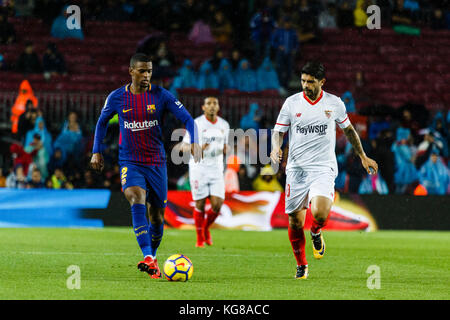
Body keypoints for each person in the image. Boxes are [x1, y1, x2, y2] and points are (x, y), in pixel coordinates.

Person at [90, 53, 201, 279]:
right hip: (130, 161)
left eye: (149, 71)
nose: (146, 75)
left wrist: (194, 141)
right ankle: (148, 256)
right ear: (131, 71)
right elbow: (101, 123)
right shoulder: (117, 98)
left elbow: (188, 119)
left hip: (156, 162)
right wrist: (96, 151)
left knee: (158, 217)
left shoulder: (161, 95)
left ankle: (153, 258)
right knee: (135, 195)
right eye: (142, 71)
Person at [270, 61, 378, 279]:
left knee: (320, 213)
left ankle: (316, 231)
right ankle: (301, 264)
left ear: (322, 82)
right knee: (295, 221)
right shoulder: (291, 103)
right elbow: (278, 132)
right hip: (297, 169)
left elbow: (349, 131)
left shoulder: (334, 103)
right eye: (303, 81)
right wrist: (274, 149)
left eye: (310, 81)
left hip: (323, 167)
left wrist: (363, 156)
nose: (305, 85)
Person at [179, 97, 230, 248]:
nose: (212, 106)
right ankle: (200, 238)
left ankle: (206, 228)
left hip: (216, 170)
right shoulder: (196, 124)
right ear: (203, 107)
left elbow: (225, 145)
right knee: (200, 203)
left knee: (217, 204)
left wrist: (226, 149)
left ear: (219, 107)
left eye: (215, 103)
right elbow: (183, 146)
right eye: (209, 103)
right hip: (199, 169)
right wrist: (196, 148)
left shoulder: (224, 125)